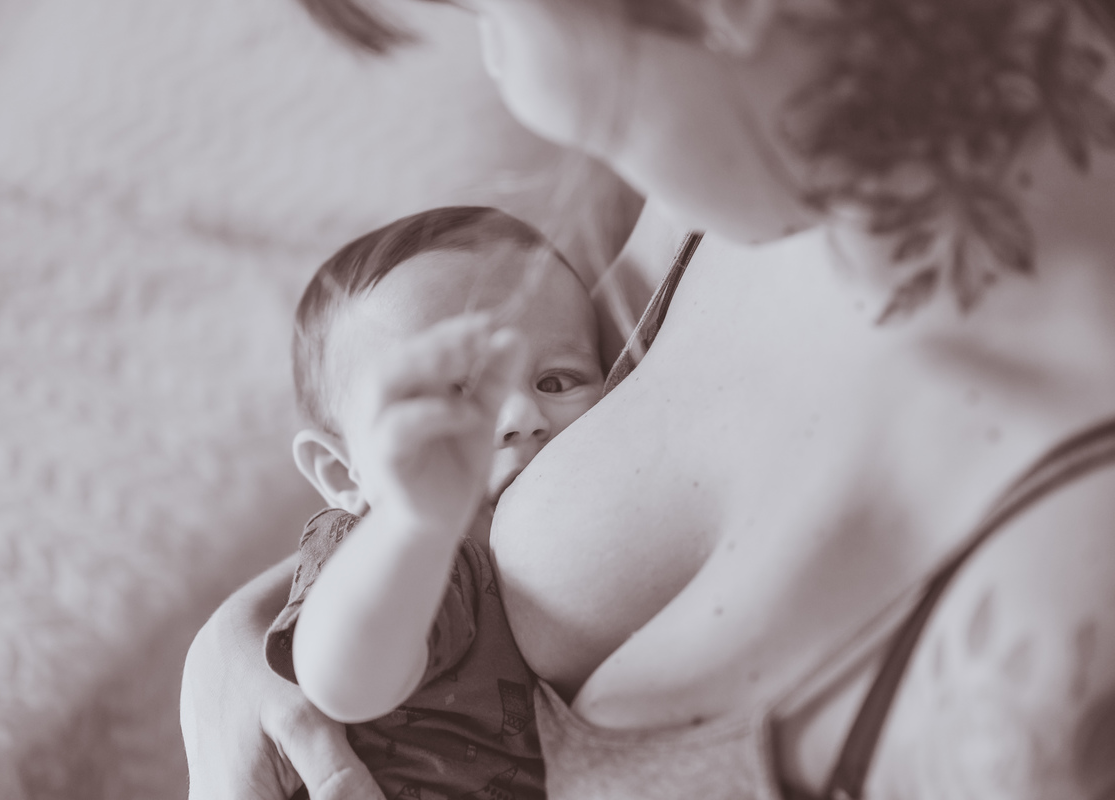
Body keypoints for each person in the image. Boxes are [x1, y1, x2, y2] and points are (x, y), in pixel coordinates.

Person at [181, 1, 1115, 798]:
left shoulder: (1058, 606)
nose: (507, 74)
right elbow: (454, 473)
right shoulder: (722, 206)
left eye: (500, 12)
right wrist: (237, 641)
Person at [267, 206, 606, 800]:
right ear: (344, 471)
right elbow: (341, 680)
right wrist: (412, 525)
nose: (522, 416)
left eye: (556, 381)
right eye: (455, 399)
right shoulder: (409, 562)